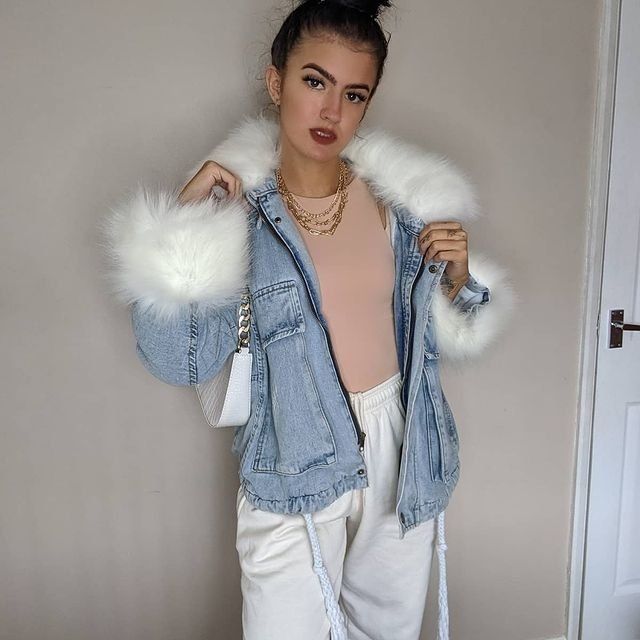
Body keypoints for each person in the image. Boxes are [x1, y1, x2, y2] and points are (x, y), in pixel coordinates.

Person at [105, 0, 513, 638]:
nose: (331, 112)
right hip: (293, 451)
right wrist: (182, 228)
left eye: (354, 94)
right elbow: (178, 361)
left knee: (388, 631)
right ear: (276, 82)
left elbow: (442, 340)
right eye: (315, 81)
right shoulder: (237, 215)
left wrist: (460, 283)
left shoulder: (402, 207)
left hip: (402, 447)